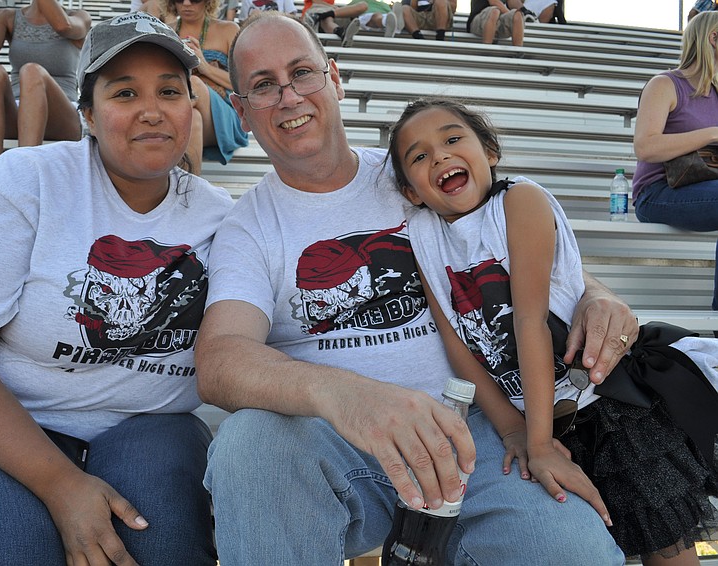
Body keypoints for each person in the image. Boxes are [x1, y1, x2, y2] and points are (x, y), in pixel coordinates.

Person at [197, 11, 637, 564]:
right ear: (239, 109)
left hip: (470, 435)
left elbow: (514, 245)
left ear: (334, 78)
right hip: (336, 446)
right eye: (263, 85)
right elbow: (219, 360)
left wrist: (596, 292)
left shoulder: (418, 170)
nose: (288, 97)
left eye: (302, 73)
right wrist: (345, 396)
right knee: (249, 445)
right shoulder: (249, 225)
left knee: (576, 554)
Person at [0, 12, 233, 565]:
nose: (151, 109)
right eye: (124, 92)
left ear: (192, 108)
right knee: (2, 548)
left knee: (158, 548)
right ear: (87, 114)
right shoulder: (24, 182)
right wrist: (62, 485)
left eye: (169, 90)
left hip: (145, 427)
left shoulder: (223, 220)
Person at [389, 96, 718, 565]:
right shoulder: (422, 237)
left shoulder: (519, 201)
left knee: (665, 547)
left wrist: (539, 443)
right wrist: (513, 432)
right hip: (541, 425)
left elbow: (530, 321)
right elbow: (457, 344)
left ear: (490, 152)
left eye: (453, 138)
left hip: (606, 410)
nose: (439, 155)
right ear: (413, 191)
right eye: (419, 156)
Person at [633, 11, 718, 312]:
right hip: (658, 193)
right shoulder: (666, 84)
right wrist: (711, 134)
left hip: (706, 190)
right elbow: (645, 147)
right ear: (713, 38)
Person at [0, 0, 91, 167]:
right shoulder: (7, 17)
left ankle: (26, 170)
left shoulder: (78, 16)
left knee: (32, 72)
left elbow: (62, 26)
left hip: (62, 115)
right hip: (17, 110)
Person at [165, 0, 248, 174]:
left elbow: (246, 85)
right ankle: (190, 195)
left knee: (193, 83)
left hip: (225, 115)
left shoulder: (229, 30)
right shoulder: (165, 30)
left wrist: (205, 67)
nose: (187, 4)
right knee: (193, 119)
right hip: (182, 115)